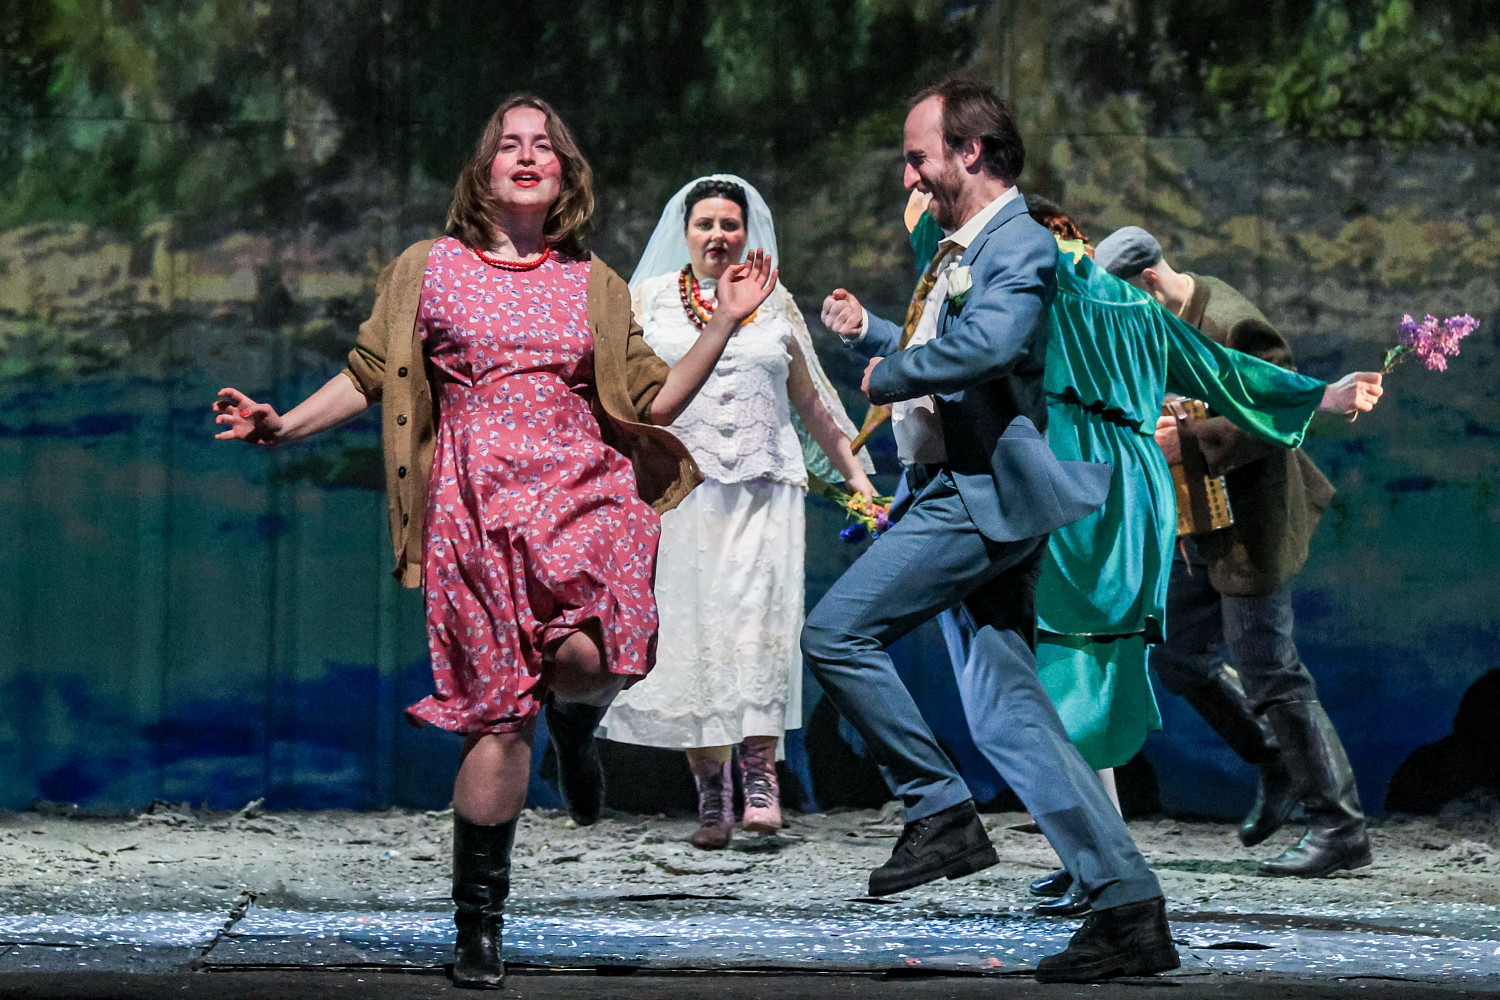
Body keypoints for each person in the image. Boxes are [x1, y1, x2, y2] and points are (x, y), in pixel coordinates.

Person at [212, 95, 778, 989]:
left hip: (582, 498)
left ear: (564, 174)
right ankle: (480, 925)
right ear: (483, 171)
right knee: (499, 720)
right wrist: (283, 426)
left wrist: (725, 320)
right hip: (474, 517)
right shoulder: (428, 268)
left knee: (592, 660)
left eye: (542, 146)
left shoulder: (593, 281)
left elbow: (654, 401)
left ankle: (577, 726)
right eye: (509, 145)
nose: (525, 156)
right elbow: (369, 374)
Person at [802, 74, 1177, 985]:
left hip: (975, 494)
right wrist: (872, 337)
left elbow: (995, 343)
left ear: (970, 151)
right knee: (1009, 716)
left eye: (918, 156)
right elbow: (954, 342)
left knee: (836, 632)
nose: (910, 175)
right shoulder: (969, 248)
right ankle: (1128, 906)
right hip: (967, 488)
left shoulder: (1019, 241)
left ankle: (938, 811)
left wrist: (892, 374)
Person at [599, 175, 874, 850]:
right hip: (680, 496)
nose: (718, 235)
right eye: (706, 224)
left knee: (759, 629)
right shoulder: (647, 301)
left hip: (762, 488)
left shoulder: (772, 301)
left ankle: (759, 779)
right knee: (693, 637)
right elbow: (622, 396)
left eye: (730, 223)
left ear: (747, 233)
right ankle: (711, 796)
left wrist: (858, 480)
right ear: (685, 233)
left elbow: (814, 401)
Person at [1095, 224, 1375, 880]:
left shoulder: (1231, 322)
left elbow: (1281, 413)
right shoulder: (1161, 318)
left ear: (1149, 281)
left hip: (1251, 521)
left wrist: (1187, 442)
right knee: (1174, 654)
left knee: (1271, 670)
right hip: (1198, 524)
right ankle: (1276, 760)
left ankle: (1340, 828)